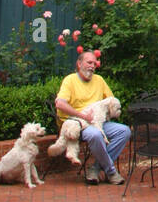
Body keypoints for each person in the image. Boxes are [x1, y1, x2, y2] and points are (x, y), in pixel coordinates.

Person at [55, 49, 131, 185]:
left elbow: (111, 101)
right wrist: (81, 115)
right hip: (77, 123)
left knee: (124, 131)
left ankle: (95, 168)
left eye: (94, 64)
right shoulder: (70, 80)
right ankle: (111, 172)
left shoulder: (99, 80)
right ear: (79, 64)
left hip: (98, 122)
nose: (92, 66)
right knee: (95, 135)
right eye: (89, 62)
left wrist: (106, 113)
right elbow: (60, 104)